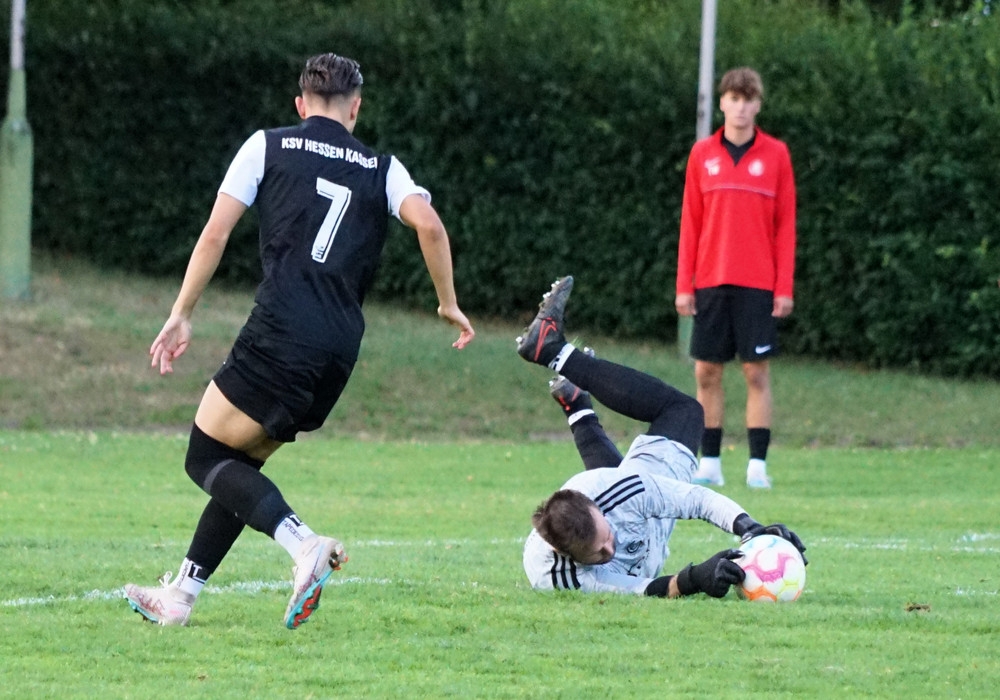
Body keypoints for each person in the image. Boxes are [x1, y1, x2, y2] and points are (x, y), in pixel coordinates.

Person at [124, 53, 475, 629]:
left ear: (300, 104)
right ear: (355, 109)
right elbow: (430, 225)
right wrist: (448, 303)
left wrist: (182, 312)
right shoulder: (384, 168)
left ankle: (303, 544)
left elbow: (215, 233)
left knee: (205, 456)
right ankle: (181, 595)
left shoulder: (267, 146)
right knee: (240, 464)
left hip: (282, 330)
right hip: (339, 347)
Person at [517, 276, 805, 596]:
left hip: (624, 502)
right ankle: (557, 358)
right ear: (566, 554)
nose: (611, 548)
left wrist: (749, 528)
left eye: (607, 536)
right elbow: (645, 589)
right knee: (683, 412)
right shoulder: (560, 578)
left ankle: (575, 399)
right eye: (597, 553)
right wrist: (697, 578)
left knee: (623, 480)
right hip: (641, 557)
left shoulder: (609, 491)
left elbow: (695, 499)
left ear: (596, 506)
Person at [675, 66, 797, 489]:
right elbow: (690, 223)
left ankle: (757, 466)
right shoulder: (702, 154)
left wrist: (783, 287)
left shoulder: (776, 154)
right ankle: (709, 462)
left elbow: (786, 226)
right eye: (734, 98)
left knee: (756, 373)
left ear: (758, 105)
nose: (741, 107)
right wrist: (684, 285)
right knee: (706, 373)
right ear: (722, 103)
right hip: (710, 280)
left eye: (749, 99)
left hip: (758, 283)